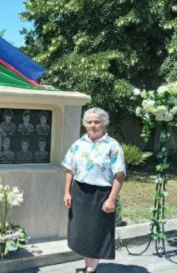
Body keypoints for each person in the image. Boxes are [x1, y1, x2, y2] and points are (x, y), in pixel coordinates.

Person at [62, 107, 126, 273]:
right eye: (89, 122)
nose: (93, 125)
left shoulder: (113, 146)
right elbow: (69, 169)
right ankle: (88, 266)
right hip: (79, 193)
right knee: (82, 233)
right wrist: (67, 192)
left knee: (96, 233)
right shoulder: (78, 144)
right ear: (84, 124)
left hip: (101, 194)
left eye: (97, 122)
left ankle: (90, 270)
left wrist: (111, 199)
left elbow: (119, 175)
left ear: (104, 123)